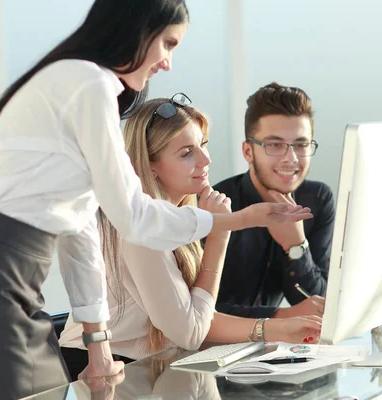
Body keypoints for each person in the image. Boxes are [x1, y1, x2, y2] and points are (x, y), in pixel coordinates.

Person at [0, 3, 311, 399]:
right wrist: (235, 221)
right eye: (168, 43)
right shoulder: (87, 82)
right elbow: (133, 217)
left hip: (13, 285)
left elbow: (81, 236)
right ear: (139, 30)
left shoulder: (82, 86)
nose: (167, 62)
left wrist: (97, 343)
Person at [59, 97, 322, 380]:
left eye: (203, 145)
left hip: (150, 366)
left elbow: (195, 316)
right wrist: (220, 235)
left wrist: (279, 328)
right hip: (101, 372)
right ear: (150, 166)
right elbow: (191, 332)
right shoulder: (142, 229)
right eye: (187, 153)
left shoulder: (176, 216)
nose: (205, 160)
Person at [214, 82, 336, 319]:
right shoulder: (216, 207)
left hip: (273, 349)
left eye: (301, 145)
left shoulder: (318, 200)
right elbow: (196, 316)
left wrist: (296, 246)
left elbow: (318, 305)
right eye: (275, 145)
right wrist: (280, 316)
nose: (291, 158)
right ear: (248, 152)